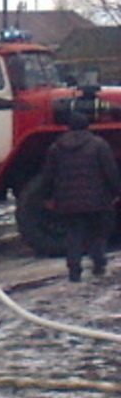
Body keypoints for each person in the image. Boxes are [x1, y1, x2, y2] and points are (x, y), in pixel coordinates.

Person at [37, 112, 120, 282]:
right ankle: (98, 265)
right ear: (87, 126)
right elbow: (110, 172)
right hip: (97, 200)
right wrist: (116, 192)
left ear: (68, 127)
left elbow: (48, 176)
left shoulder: (56, 147)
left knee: (74, 235)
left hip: (68, 202)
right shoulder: (99, 145)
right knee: (97, 233)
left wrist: (47, 197)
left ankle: (74, 271)